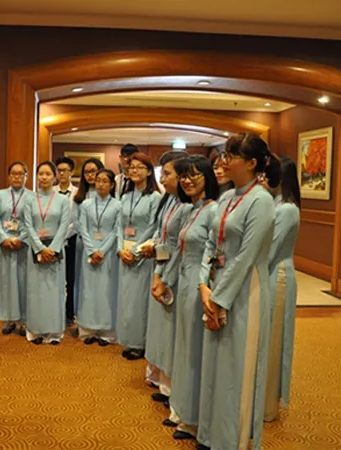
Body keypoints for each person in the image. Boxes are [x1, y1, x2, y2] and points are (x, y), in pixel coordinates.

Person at [196, 132, 276, 450]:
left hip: (245, 291)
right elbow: (210, 242)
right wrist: (204, 284)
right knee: (214, 363)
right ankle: (210, 433)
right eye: (224, 156)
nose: (224, 162)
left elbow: (246, 256)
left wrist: (219, 299)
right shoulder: (227, 197)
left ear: (252, 163)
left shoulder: (261, 201)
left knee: (237, 367)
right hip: (216, 285)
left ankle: (232, 440)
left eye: (231, 156)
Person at [166, 155, 219, 440]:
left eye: (194, 175)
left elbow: (213, 254)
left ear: (207, 177)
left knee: (195, 350)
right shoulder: (190, 209)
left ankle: (196, 418)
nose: (187, 180)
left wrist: (204, 285)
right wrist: (165, 278)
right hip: (184, 281)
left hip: (200, 286)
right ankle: (182, 410)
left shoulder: (213, 210)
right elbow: (178, 248)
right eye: (184, 175)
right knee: (184, 346)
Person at [144, 151, 190, 403]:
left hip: (175, 271)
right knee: (161, 327)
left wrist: (163, 277)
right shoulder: (169, 200)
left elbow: (178, 247)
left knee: (173, 330)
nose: (162, 178)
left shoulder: (187, 206)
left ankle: (173, 386)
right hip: (162, 266)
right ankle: (161, 378)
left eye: (167, 173)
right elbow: (161, 235)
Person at [261, 155, 301, 422]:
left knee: (274, 341)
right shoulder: (274, 203)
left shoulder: (287, 209)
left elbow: (270, 249)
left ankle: (267, 406)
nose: (264, 178)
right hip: (269, 272)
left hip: (278, 275)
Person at [116, 153, 162, 360]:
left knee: (139, 301)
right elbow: (118, 225)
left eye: (139, 167)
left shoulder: (155, 198)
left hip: (142, 255)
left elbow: (153, 227)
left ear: (149, 172)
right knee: (126, 300)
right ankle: (127, 339)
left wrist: (134, 251)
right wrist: (120, 249)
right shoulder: (125, 197)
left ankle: (140, 343)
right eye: (131, 167)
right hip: (124, 253)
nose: (134, 170)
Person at [23, 161, 70, 344]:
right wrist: (40, 248)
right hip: (36, 250)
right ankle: (36, 331)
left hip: (55, 250)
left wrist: (53, 249)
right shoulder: (29, 200)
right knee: (36, 291)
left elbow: (64, 226)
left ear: (54, 177)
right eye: (40, 174)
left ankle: (55, 332)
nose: (44, 177)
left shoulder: (62, 200)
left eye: (48, 174)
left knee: (55, 291)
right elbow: (28, 225)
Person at [76, 169, 121, 345]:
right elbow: (82, 228)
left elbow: (116, 231)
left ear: (112, 185)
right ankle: (88, 330)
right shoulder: (86, 204)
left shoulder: (117, 205)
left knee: (107, 290)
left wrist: (102, 250)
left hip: (107, 254)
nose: (101, 184)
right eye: (98, 180)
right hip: (89, 253)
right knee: (88, 290)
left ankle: (106, 332)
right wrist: (92, 250)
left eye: (105, 181)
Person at [0, 161, 33, 336]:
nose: (17, 177)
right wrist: (4, 239)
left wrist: (21, 239)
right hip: (4, 246)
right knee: (5, 281)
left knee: (23, 281)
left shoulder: (31, 196)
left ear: (26, 177)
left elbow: (33, 221)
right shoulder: (0, 195)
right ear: (9, 176)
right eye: (14, 173)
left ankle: (23, 320)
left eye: (21, 174)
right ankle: (8, 319)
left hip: (23, 246)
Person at [72, 158, 105, 329]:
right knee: (83, 282)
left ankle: (102, 321)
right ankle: (83, 320)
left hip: (104, 246)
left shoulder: (109, 196)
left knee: (103, 283)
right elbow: (77, 222)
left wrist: (101, 244)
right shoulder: (79, 197)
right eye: (87, 172)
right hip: (84, 245)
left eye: (94, 171)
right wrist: (90, 243)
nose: (90, 175)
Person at [53, 156, 79, 328]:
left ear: (72, 172)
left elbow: (76, 219)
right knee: (54, 277)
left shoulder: (77, 193)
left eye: (65, 170)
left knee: (70, 278)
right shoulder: (50, 191)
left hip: (71, 238)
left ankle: (69, 314)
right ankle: (54, 312)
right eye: (59, 170)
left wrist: (63, 234)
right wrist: (55, 237)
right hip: (51, 240)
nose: (61, 173)